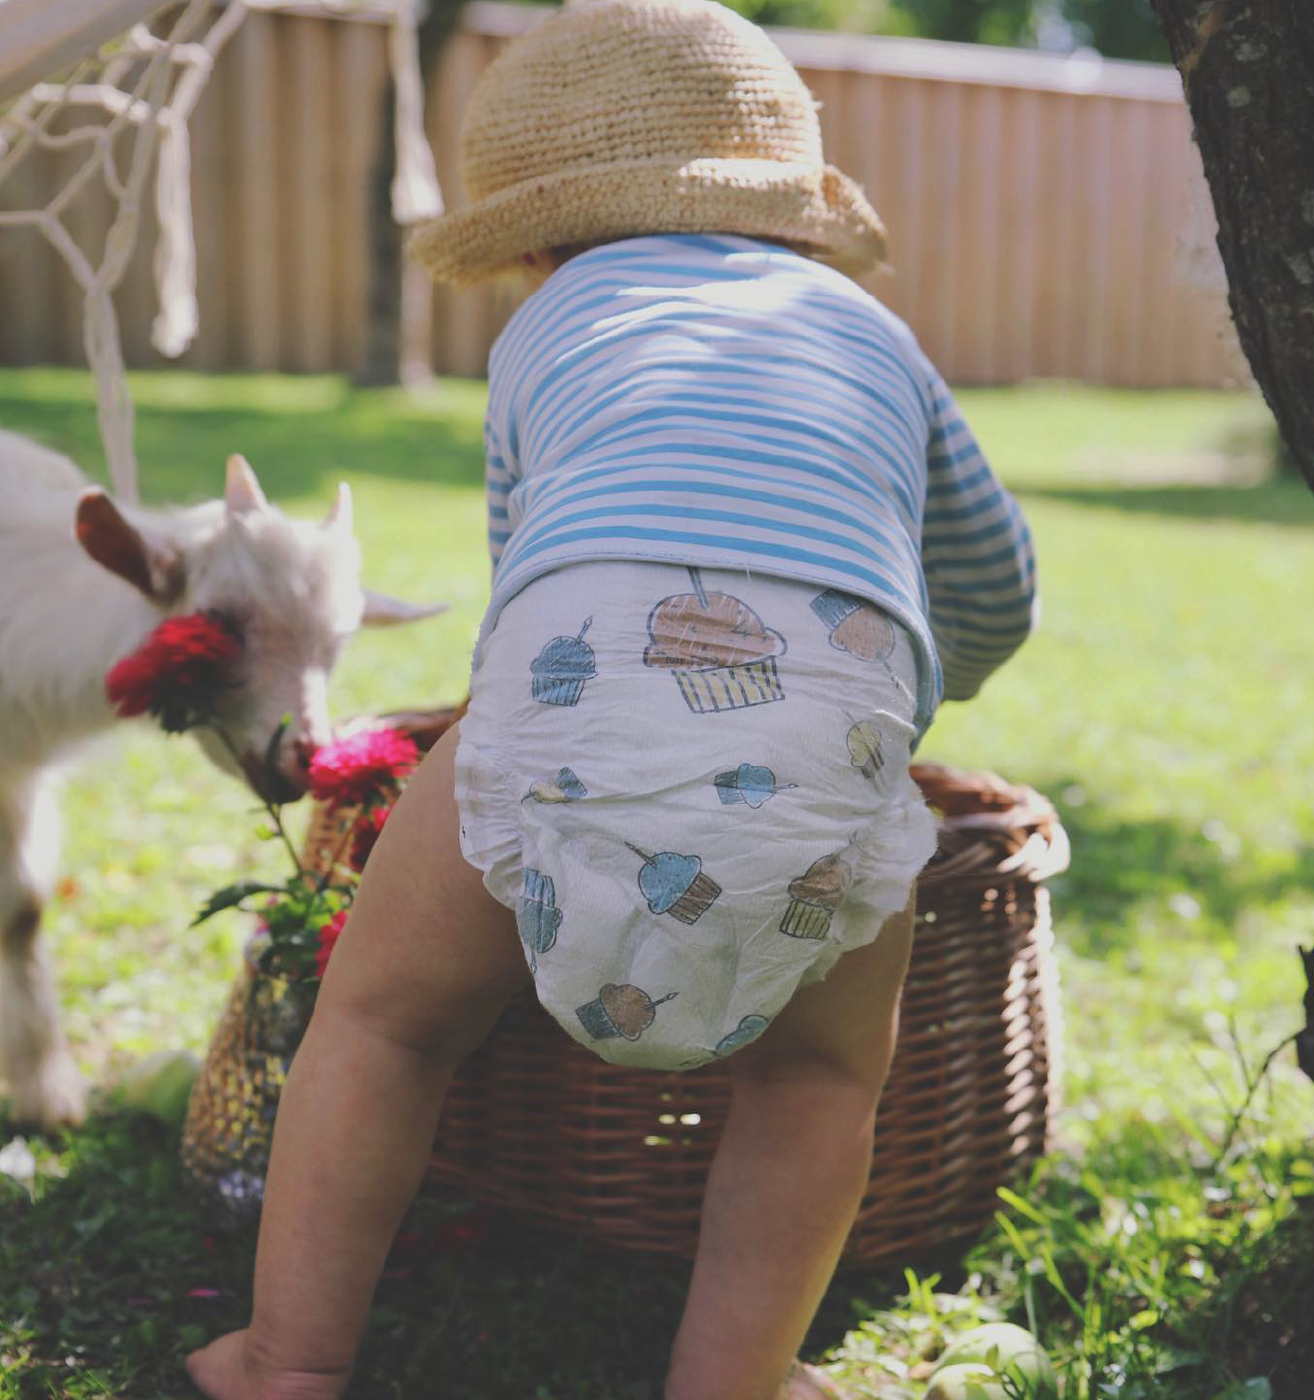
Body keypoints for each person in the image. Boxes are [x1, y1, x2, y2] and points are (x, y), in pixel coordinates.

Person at [186, 1, 1037, 1396]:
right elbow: (996, 581)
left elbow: (532, 575)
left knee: (386, 1022)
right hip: (834, 730)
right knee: (819, 1082)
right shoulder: (874, 335)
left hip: (564, 699)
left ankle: (286, 1362)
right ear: (798, 207)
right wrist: (921, 710)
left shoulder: (549, 325)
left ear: (528, 236)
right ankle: (733, 1379)